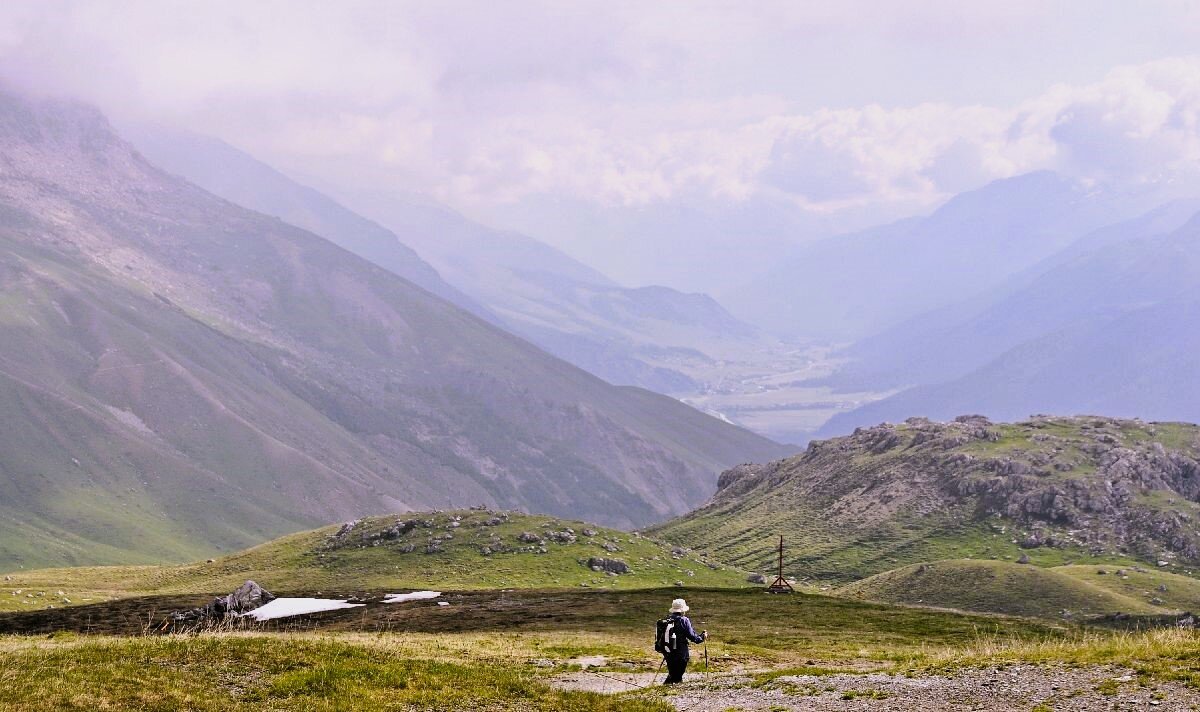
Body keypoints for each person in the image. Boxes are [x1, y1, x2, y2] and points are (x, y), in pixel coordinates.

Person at [660, 598, 706, 684]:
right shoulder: (684, 620)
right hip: (681, 652)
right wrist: (702, 637)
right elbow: (693, 637)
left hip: (668, 651)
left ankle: (665, 690)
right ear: (683, 610)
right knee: (677, 676)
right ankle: (673, 692)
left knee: (672, 673)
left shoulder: (666, 620)